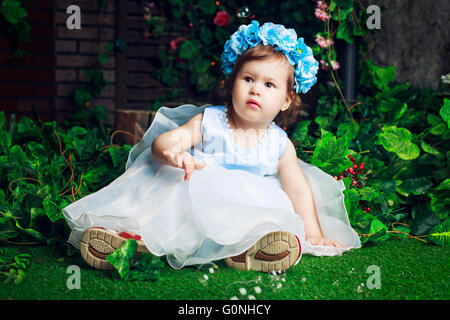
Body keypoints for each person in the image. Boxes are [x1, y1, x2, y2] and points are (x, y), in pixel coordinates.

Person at [62, 21, 361, 273]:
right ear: (232, 83)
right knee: (159, 203)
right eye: (248, 79)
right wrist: (170, 152)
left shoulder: (279, 144)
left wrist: (313, 233)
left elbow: (298, 191)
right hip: (193, 203)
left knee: (264, 219)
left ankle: (250, 250)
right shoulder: (210, 121)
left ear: (286, 100)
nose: (256, 88)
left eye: (269, 85)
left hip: (246, 210)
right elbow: (167, 141)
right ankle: (132, 241)